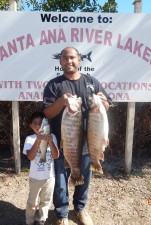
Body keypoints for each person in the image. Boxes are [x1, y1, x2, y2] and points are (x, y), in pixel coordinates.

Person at [42, 47, 112, 225]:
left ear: (79, 60)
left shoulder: (91, 82)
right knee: (60, 181)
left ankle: (80, 209)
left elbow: (107, 106)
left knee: (85, 177)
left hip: (89, 142)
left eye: (72, 57)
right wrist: (60, 102)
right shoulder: (54, 85)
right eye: (65, 58)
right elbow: (48, 113)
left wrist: (103, 102)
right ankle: (62, 214)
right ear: (60, 62)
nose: (69, 61)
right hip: (62, 142)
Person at [23, 111, 60, 225]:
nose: (38, 126)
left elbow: (56, 155)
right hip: (35, 178)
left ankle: (41, 219)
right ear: (31, 126)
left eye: (41, 123)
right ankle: (29, 219)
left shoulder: (52, 137)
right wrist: (38, 140)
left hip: (49, 177)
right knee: (32, 201)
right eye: (35, 123)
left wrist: (50, 142)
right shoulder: (30, 139)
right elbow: (30, 156)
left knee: (45, 201)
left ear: (46, 126)